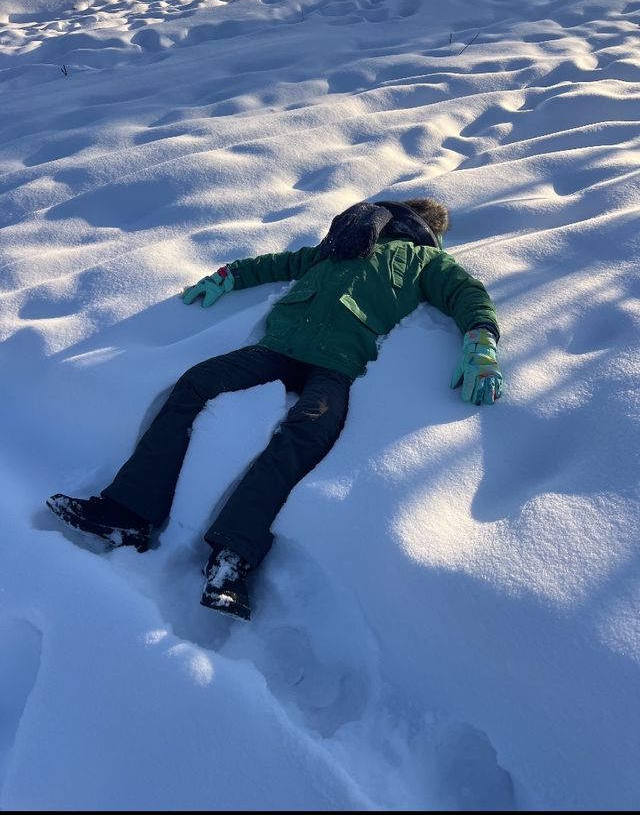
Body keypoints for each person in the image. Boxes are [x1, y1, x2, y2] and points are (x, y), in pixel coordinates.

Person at [47, 198, 503, 621]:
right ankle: (129, 515)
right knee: (203, 387)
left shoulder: (425, 262)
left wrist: (481, 335)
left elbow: (465, 292)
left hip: (334, 367)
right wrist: (229, 275)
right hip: (279, 350)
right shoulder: (339, 246)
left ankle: (233, 557)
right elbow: (277, 264)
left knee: (303, 433)